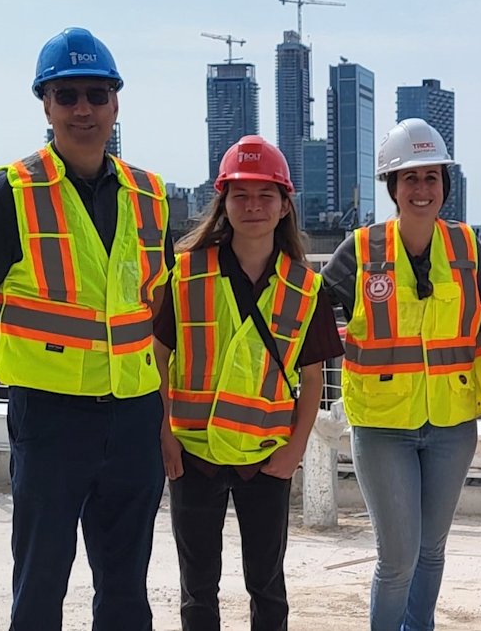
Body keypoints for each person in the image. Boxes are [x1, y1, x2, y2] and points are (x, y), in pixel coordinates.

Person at [0, 27, 170, 631]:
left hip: (132, 414)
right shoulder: (12, 191)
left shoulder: (150, 196)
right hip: (50, 417)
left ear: (116, 102)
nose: (83, 109)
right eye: (66, 95)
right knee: (42, 578)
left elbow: (156, 303)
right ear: (45, 105)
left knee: (126, 584)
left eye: (96, 94)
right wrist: (19, 367)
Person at [153, 136, 344, 631]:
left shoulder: (306, 288)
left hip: (267, 453)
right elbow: (159, 357)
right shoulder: (187, 273)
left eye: (265, 195)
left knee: (267, 584)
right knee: (198, 588)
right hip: (193, 451)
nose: (253, 206)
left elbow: (311, 377)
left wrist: (294, 451)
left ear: (284, 206)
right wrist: (165, 432)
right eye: (241, 195)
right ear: (224, 203)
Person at [320, 117, 481, 631]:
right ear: (393, 187)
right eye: (410, 178)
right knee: (397, 559)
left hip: (451, 423)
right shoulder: (361, 249)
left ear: (445, 184)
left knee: (432, 550)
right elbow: (310, 316)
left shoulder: (466, 248)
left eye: (431, 177)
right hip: (382, 426)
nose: (422, 188)